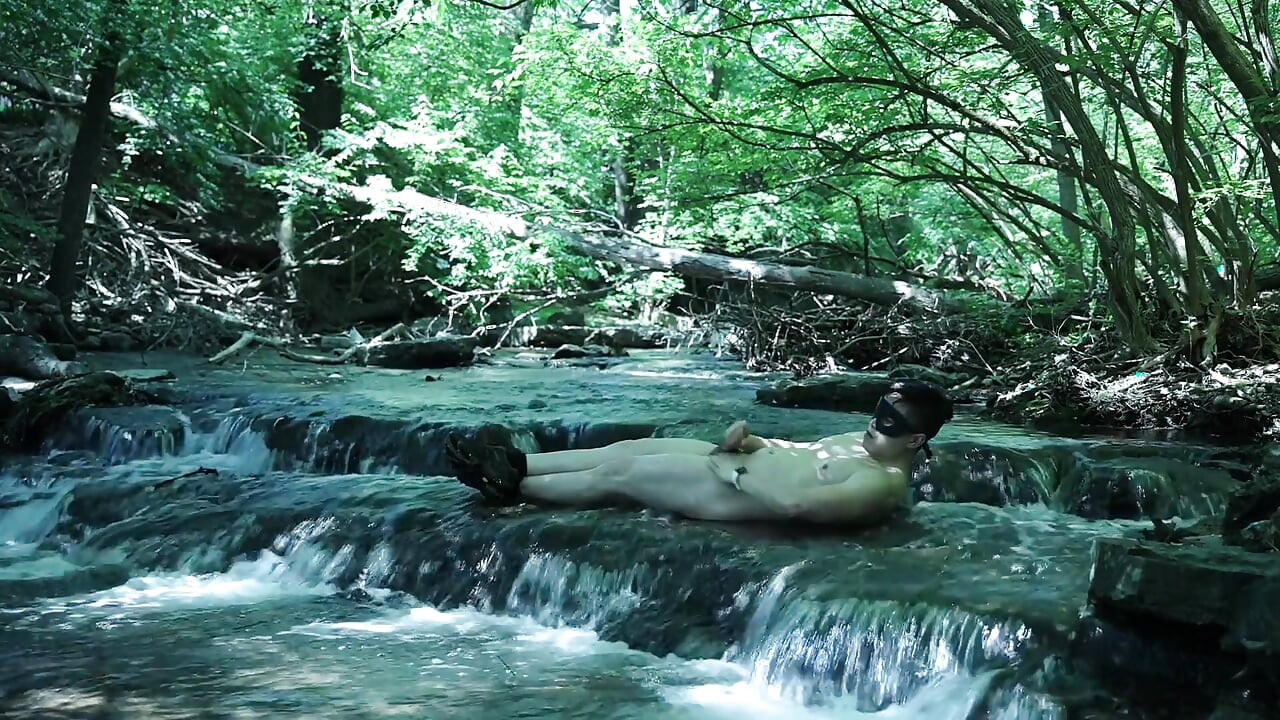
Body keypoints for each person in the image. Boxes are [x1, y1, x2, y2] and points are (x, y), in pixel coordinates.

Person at [445, 379, 953, 526]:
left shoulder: (881, 485)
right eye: (877, 409)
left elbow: (796, 506)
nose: (873, 424)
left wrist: (733, 471)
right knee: (631, 446)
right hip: (733, 463)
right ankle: (518, 462)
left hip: (730, 491)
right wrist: (750, 443)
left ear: (915, 442)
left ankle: (511, 486)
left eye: (888, 423)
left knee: (622, 472)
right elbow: (797, 450)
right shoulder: (854, 445)